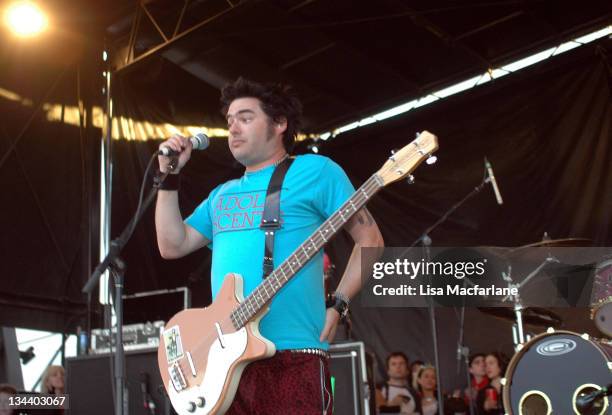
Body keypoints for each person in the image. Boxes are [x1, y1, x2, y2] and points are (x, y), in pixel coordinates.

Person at [155, 77, 384, 414]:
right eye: (230, 121)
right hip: (224, 364)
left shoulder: (316, 171)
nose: (233, 128)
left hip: (292, 353)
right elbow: (171, 245)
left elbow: (371, 239)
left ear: (279, 123)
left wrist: (339, 303)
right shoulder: (222, 194)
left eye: (245, 118)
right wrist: (169, 177)